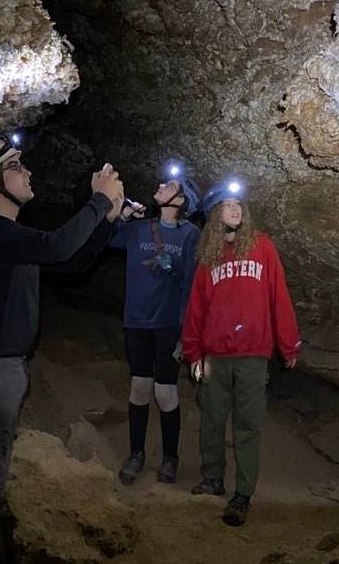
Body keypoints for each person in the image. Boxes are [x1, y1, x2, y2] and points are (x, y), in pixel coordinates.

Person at [0, 136, 125, 564]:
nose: (28, 171)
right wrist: (97, 201)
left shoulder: (10, 238)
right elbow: (57, 246)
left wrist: (108, 220)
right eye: (16, 166)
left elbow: (70, 262)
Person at [181, 178, 301, 527]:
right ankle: (212, 478)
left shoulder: (263, 247)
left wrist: (288, 343)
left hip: (252, 355)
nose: (235, 209)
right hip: (214, 356)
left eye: (238, 205)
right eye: (227, 205)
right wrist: (193, 352)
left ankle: (243, 494)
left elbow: (279, 296)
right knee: (212, 419)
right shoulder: (210, 257)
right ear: (214, 214)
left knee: (248, 425)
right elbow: (196, 308)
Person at [109, 158, 202, 486]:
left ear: (181, 201)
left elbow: (191, 283)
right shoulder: (139, 228)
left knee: (165, 392)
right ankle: (136, 454)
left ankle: (170, 458)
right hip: (136, 321)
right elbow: (108, 239)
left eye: (171, 186)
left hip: (167, 324)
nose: (162, 186)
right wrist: (121, 216)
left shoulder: (190, 235)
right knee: (139, 387)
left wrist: (186, 331)